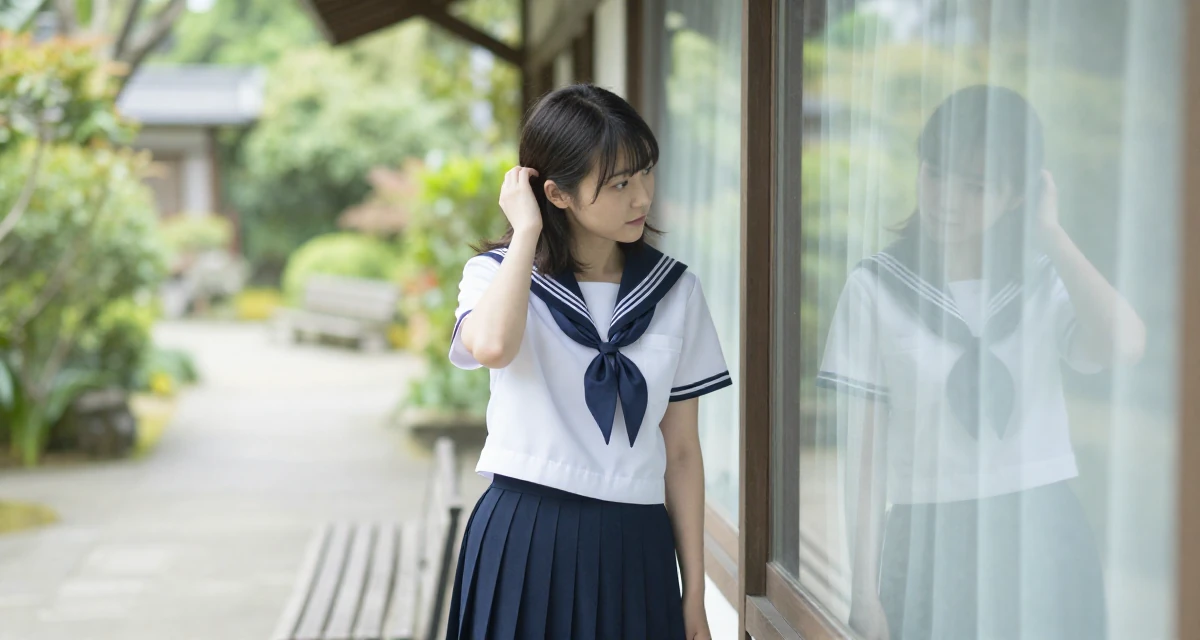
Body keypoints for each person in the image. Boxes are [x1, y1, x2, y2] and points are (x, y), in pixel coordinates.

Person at [818, 85, 1146, 639]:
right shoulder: (875, 288)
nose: (947, 198)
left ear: (1018, 194)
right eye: (935, 173)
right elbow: (865, 459)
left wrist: (1052, 236)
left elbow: (1126, 344)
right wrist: (863, 592)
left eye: (976, 186)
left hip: (1042, 531)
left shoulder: (1041, 281)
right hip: (928, 537)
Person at [444, 83, 731, 640]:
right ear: (557, 194)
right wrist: (526, 232)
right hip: (525, 534)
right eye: (620, 183)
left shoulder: (674, 291)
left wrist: (693, 593)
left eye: (646, 173)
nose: (643, 198)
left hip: (635, 541)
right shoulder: (497, 276)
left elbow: (682, 452)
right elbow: (494, 347)